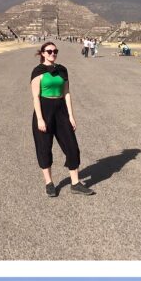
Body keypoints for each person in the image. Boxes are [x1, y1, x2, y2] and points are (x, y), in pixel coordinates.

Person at [30, 42, 94, 197]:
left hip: (61, 110)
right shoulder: (38, 72)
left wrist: (71, 116)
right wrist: (40, 118)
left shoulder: (62, 70)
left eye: (55, 51)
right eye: (49, 51)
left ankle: (75, 183)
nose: (53, 53)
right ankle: (49, 183)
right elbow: (35, 97)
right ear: (43, 53)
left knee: (72, 146)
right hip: (44, 110)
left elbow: (67, 93)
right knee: (44, 147)